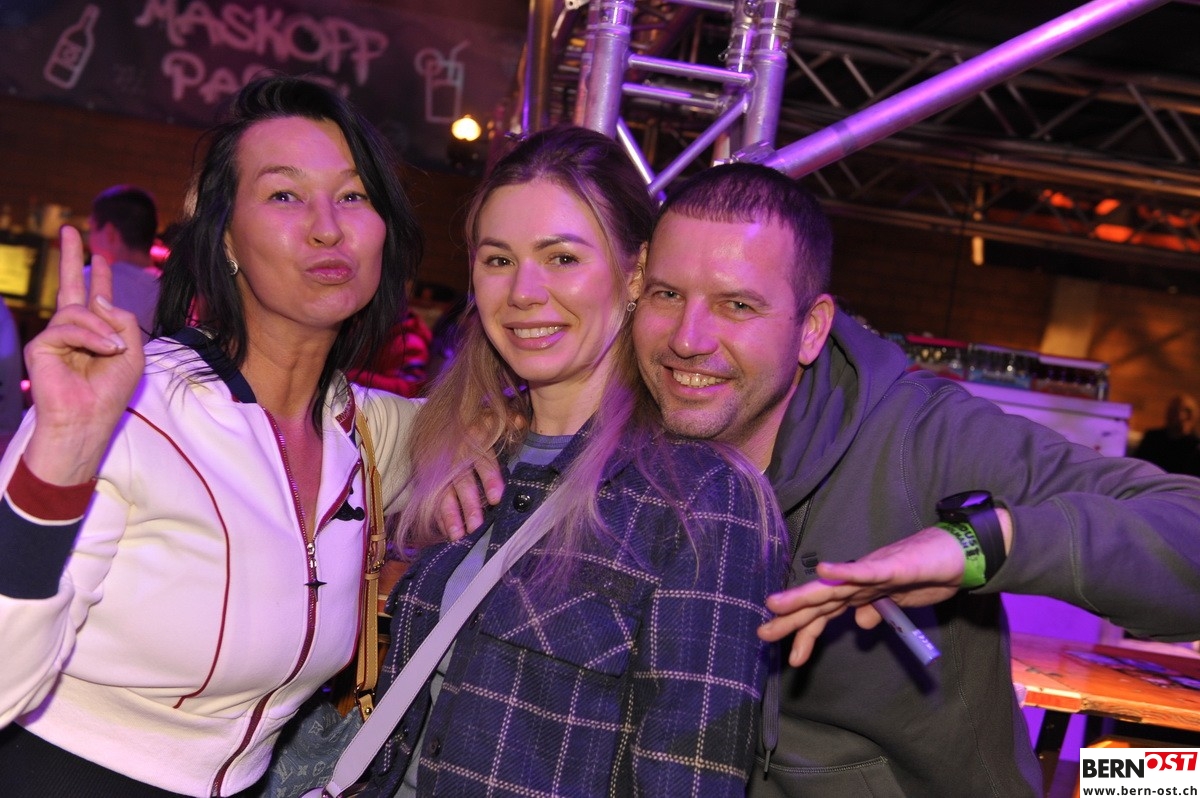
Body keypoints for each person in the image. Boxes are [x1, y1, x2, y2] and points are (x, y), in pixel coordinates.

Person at [628, 162, 1200, 797]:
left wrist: (982, 543)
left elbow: (1188, 530)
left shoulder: (918, 436)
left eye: (738, 305)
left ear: (811, 329)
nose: (688, 339)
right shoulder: (616, 444)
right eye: (667, 295)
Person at [0, 75, 427, 797]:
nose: (328, 227)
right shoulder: (133, 407)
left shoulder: (363, 430)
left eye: (354, 196)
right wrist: (63, 455)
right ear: (226, 237)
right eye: (284, 195)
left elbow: (502, 417)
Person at [357, 127, 786, 797]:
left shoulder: (701, 499)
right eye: (498, 259)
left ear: (636, 274)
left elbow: (688, 777)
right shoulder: (468, 453)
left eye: (561, 258)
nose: (524, 292)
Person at [85, 184, 162, 341]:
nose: (89, 240)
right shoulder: (174, 291)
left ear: (110, 233)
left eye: (91, 229)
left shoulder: (88, 281)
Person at [1133, 393, 1200, 476]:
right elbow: (1137, 465)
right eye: (1175, 411)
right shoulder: (1152, 438)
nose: (1181, 416)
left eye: (1187, 411)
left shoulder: (1196, 447)